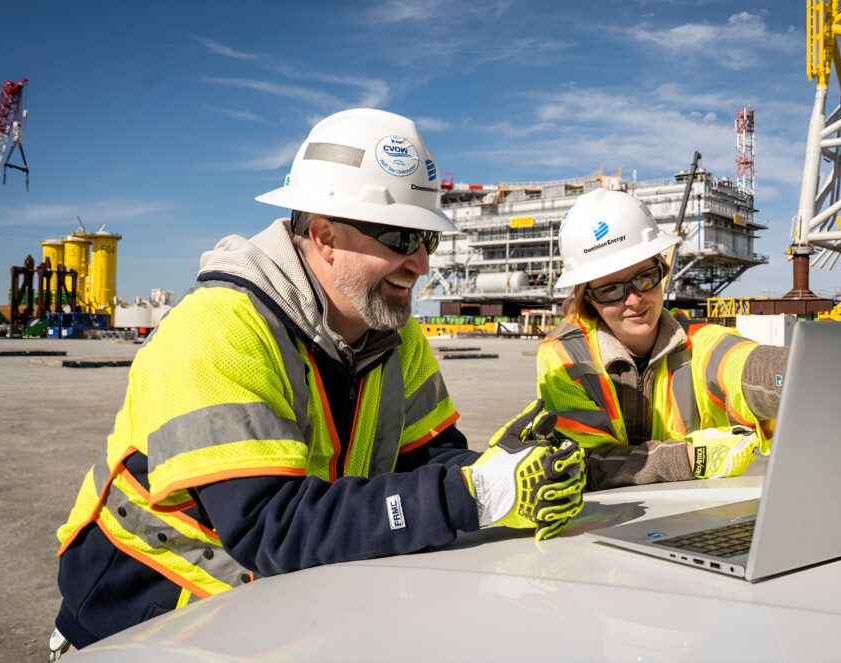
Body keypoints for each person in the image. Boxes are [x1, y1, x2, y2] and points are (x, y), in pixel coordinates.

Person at [50, 109, 584, 652]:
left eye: (428, 239)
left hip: (271, 616)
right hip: (140, 624)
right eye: (402, 237)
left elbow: (430, 458)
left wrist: (503, 470)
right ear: (325, 237)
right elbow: (269, 525)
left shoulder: (396, 336)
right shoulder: (217, 328)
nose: (421, 264)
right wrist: (472, 496)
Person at [536, 188, 788, 491]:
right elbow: (586, 463)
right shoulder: (565, 357)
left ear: (662, 270)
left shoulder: (700, 343)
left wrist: (798, 373)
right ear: (589, 299)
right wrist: (690, 459)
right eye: (611, 290)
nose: (634, 299)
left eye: (644, 278)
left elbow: (747, 366)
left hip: (694, 519)